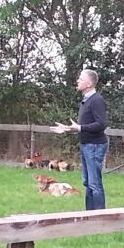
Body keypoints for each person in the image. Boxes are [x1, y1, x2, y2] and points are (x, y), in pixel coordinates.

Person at [52, 69, 108, 210]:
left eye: (81, 79)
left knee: (94, 183)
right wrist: (68, 129)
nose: (77, 81)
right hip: (86, 145)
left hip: (94, 146)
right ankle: (89, 215)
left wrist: (80, 128)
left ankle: (101, 217)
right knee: (87, 182)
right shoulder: (86, 100)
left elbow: (101, 124)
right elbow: (83, 126)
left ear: (89, 83)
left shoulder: (96, 100)